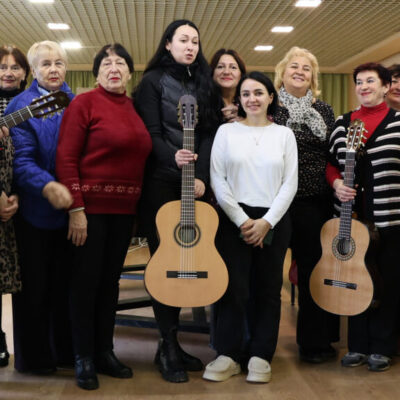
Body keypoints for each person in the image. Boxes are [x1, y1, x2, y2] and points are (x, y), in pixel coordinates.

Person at [56, 43, 152, 391]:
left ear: (129, 73)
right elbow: (66, 158)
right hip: (90, 212)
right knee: (86, 284)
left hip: (124, 214)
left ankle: (104, 351)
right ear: (96, 73)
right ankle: (83, 356)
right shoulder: (84, 104)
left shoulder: (135, 108)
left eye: (120, 63)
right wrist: (76, 209)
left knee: (110, 284)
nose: (114, 68)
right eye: (106, 64)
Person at [133, 19, 219, 383]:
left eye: (195, 41)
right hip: (160, 182)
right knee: (165, 261)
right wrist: (174, 159)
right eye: (183, 40)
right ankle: (166, 343)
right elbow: (150, 133)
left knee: (189, 258)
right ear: (167, 43)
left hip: (193, 183)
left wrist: (200, 177)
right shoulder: (151, 82)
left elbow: (209, 132)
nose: (190, 46)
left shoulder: (204, 82)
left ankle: (172, 342)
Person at [204, 71, 298, 383]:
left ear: (271, 97)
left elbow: (290, 183)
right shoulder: (226, 132)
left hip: (274, 219)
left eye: (258, 93)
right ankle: (228, 354)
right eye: (245, 94)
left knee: (268, 290)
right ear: (239, 100)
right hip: (234, 219)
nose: (252, 99)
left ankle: (260, 354)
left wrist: (267, 221)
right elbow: (218, 179)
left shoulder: (284, 135)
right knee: (233, 288)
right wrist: (243, 220)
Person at [6, 40, 73, 374]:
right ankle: (34, 359)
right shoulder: (20, 105)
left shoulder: (76, 101)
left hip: (74, 212)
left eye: (59, 62)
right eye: (46, 64)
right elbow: (20, 160)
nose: (53, 69)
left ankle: (67, 352)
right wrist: (47, 186)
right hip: (34, 210)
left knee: (66, 287)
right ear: (33, 70)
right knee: (35, 289)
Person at [327, 62, 400, 372]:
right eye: (359, 82)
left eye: (371, 81)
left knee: (389, 282)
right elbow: (330, 164)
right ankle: (357, 344)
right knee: (353, 280)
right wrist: (337, 184)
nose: (364, 86)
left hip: (391, 218)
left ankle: (382, 346)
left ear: (386, 87)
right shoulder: (342, 124)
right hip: (351, 218)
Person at [273, 46, 339, 364]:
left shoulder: (324, 111)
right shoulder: (270, 108)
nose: (300, 71)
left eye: (306, 68)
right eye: (294, 67)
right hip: (275, 202)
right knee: (268, 273)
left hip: (314, 201)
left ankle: (313, 343)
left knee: (313, 271)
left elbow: (331, 155)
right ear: (282, 74)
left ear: (313, 77)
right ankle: (257, 345)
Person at [0, 45, 29, 367]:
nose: (8, 72)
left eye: (15, 67)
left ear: (25, 73)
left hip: (21, 202)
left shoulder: (31, 105)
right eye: (2, 66)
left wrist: (16, 194)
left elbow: (34, 154)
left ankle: (29, 345)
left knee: (23, 277)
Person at [210, 48, 246, 123]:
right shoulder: (200, 103)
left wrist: (245, 120)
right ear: (212, 73)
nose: (226, 72)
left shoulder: (249, 102)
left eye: (233, 67)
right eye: (220, 67)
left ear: (241, 74)